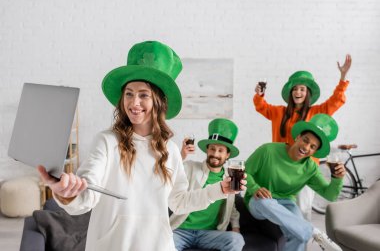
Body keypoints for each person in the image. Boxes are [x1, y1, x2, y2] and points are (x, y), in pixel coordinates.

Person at [37, 40, 246, 251]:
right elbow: (88, 193)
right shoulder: (107, 141)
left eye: (143, 95)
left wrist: (220, 189)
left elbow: (180, 202)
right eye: (129, 93)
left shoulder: (171, 150)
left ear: (159, 101)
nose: (134, 103)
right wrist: (67, 192)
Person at [253, 55, 352, 220]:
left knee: (302, 211)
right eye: (295, 89)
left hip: (304, 171)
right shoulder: (279, 112)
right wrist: (259, 95)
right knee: (278, 211)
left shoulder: (316, 112)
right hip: (279, 169)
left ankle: (302, 240)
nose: (298, 92)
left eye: (302, 89)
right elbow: (261, 106)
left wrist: (343, 77)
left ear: (308, 93)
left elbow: (336, 100)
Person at [244, 114, 346, 251]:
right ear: (297, 137)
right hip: (258, 200)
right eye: (305, 140)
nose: (306, 147)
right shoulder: (268, 150)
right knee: (264, 202)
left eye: (312, 146)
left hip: (286, 203)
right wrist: (255, 188)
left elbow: (330, 195)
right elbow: (244, 172)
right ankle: (314, 232)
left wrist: (337, 178)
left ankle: (307, 231)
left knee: (299, 235)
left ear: (315, 151)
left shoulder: (310, 168)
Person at [170, 118, 245, 251]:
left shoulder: (230, 179)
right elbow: (167, 175)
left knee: (236, 240)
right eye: (212, 149)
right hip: (181, 231)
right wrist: (181, 155)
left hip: (209, 234)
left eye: (220, 150)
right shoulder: (190, 167)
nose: (215, 154)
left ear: (228, 155)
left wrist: (236, 229)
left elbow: (231, 208)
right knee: (163, 244)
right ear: (207, 150)